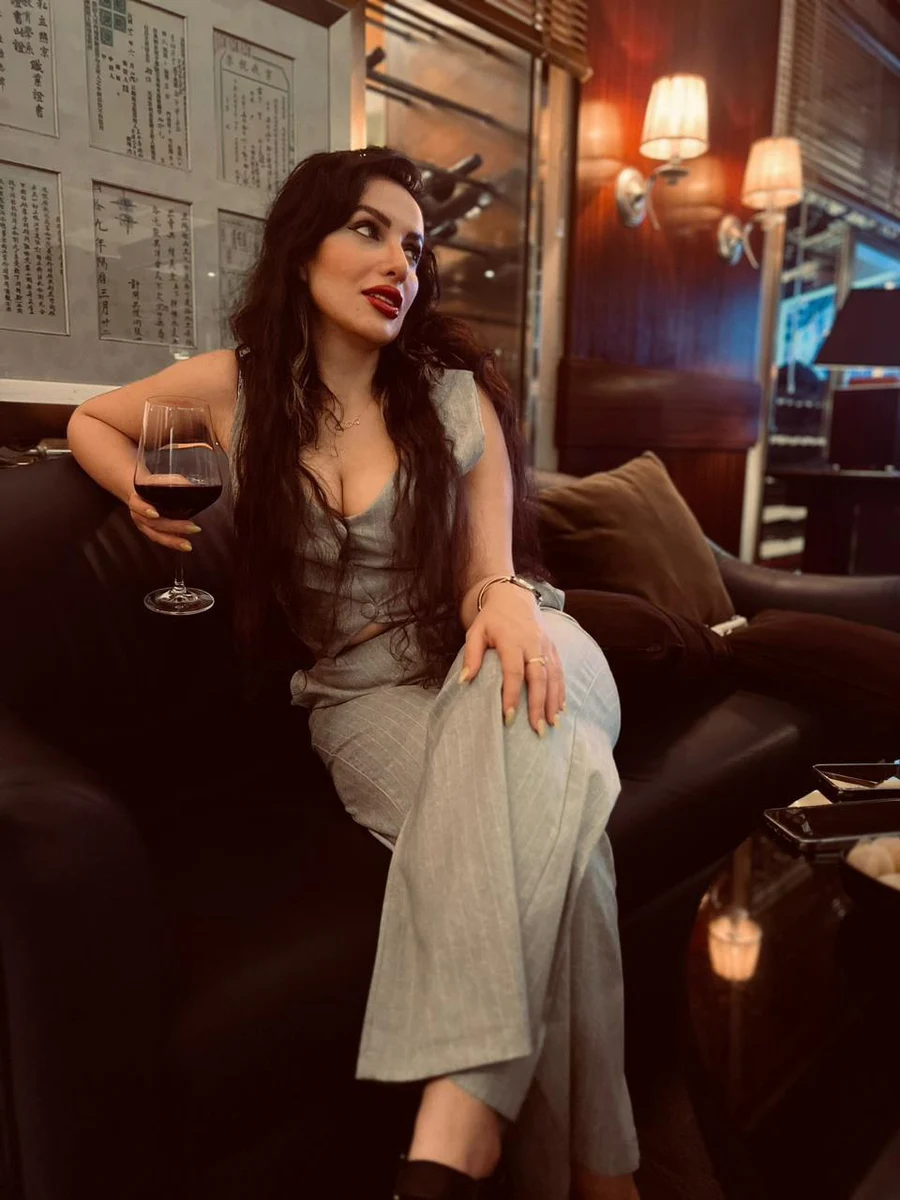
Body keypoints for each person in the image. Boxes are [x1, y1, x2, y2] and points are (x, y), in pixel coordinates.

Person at [67, 148, 639, 1200]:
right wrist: (139, 491)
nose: (398, 265)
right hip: (360, 694)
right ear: (302, 252)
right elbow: (93, 417)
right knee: (568, 849)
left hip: (509, 640)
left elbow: (490, 577)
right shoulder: (238, 390)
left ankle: (457, 1127)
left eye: (413, 248)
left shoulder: (455, 396)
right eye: (368, 232)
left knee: (508, 702)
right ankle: (604, 1181)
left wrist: (506, 594)